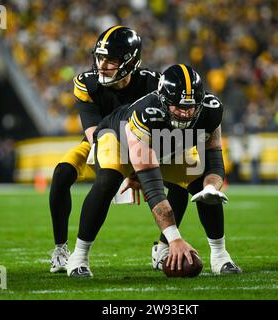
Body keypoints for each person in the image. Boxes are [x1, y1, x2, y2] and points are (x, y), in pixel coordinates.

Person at [66, 64, 241, 277]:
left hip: (166, 145)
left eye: (190, 107)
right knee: (108, 181)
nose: (185, 113)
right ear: (163, 101)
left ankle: (220, 255)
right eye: (178, 107)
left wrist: (211, 187)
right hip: (118, 138)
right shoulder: (146, 114)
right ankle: (79, 256)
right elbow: (153, 186)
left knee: (204, 189)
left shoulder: (211, 109)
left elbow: (213, 161)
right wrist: (175, 237)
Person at [48, 26, 189, 273]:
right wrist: (131, 169)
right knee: (63, 173)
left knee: (184, 178)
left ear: (130, 62)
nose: (102, 65)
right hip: (103, 139)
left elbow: (167, 133)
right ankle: (61, 249)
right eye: (100, 58)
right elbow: (94, 135)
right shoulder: (87, 84)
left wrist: (141, 169)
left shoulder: (154, 84)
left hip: (147, 144)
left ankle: (164, 246)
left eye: (110, 60)